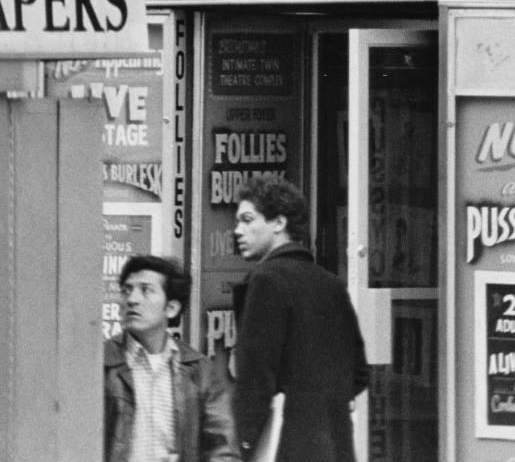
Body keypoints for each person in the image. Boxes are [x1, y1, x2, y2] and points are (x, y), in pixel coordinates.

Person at [232, 175, 369, 462]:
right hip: (335, 445)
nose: (237, 231)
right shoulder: (331, 284)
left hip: (285, 445)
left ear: (279, 223)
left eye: (247, 220)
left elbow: (255, 378)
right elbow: (359, 373)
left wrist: (241, 445)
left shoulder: (266, 280)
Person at [104, 254, 240, 462]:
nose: (132, 299)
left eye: (146, 290)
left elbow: (221, 447)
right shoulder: (102, 364)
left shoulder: (199, 369)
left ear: (172, 307)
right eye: (127, 290)